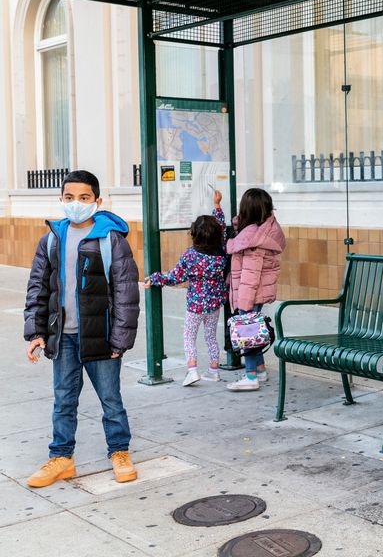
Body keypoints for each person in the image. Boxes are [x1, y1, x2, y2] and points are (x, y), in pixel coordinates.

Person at [23, 170, 140, 488]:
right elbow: (38, 289)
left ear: (97, 201)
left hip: (100, 335)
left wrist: (120, 337)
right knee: (63, 400)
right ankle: (62, 458)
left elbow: (126, 292)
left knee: (110, 399)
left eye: (84, 198)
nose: (76, 203)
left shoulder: (110, 239)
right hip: (63, 337)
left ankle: (119, 451)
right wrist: (36, 334)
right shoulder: (51, 239)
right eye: (70, 197)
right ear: (61, 200)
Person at [144, 190, 227, 386]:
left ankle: (192, 370)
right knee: (211, 337)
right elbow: (221, 228)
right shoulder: (221, 251)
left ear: (194, 235)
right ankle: (214, 371)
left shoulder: (191, 256)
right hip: (214, 304)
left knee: (189, 336)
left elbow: (175, 277)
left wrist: (155, 279)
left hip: (195, 306)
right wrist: (217, 207)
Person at [226, 188, 285, 392]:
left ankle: (250, 376)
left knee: (247, 330)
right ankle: (259, 369)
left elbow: (251, 275)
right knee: (254, 327)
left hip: (249, 292)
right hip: (257, 290)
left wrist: (244, 303)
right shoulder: (265, 229)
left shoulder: (252, 241)